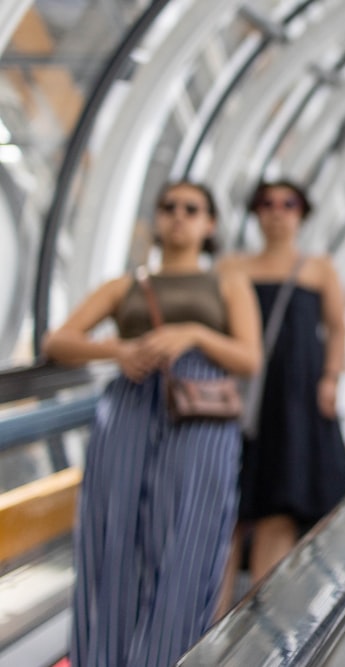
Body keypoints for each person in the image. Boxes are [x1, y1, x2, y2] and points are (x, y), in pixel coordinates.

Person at [43, 181, 262, 667]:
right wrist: (118, 349)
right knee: (111, 534)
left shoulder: (227, 282)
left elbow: (249, 357)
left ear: (210, 224)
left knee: (189, 535)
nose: (179, 216)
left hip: (200, 412)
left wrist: (194, 333)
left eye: (192, 208)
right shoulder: (127, 285)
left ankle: (166, 658)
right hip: (129, 408)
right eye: (169, 207)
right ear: (156, 220)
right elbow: (57, 342)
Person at [217, 179, 345, 608]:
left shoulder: (318, 268)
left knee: (279, 503)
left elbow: (337, 328)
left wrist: (330, 379)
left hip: (294, 395)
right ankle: (210, 627)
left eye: (288, 203)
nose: (277, 211)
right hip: (239, 392)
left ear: (301, 212)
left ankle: (256, 623)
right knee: (227, 510)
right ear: (256, 213)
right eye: (267, 203)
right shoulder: (233, 267)